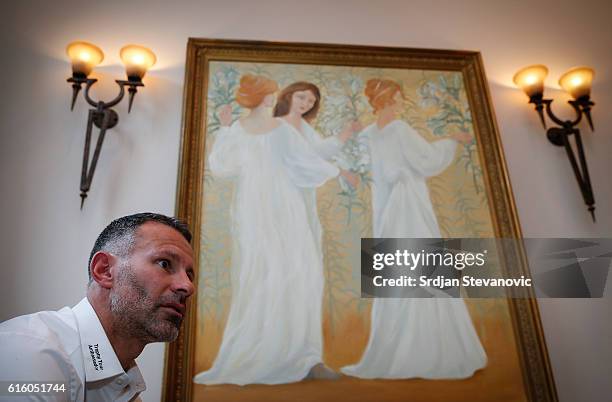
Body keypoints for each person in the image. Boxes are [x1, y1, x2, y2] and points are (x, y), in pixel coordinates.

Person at [194, 75, 347, 385]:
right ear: (262, 96)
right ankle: (263, 353)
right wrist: (224, 127)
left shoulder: (281, 129)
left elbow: (304, 161)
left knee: (296, 271)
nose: (273, 97)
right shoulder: (243, 130)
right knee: (261, 273)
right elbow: (222, 165)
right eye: (269, 93)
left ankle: (303, 355)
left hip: (284, 208)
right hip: (255, 211)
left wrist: (334, 168)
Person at [340, 79, 487, 379]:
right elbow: (427, 160)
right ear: (387, 101)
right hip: (407, 203)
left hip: (387, 208)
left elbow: (354, 168)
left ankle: (402, 350)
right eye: (398, 97)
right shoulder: (399, 129)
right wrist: (454, 140)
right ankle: (428, 350)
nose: (402, 102)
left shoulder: (368, 135)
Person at [0, 212, 195, 401]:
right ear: (104, 271)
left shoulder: (126, 383)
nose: (188, 286)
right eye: (165, 263)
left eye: (190, 275)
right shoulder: (32, 352)